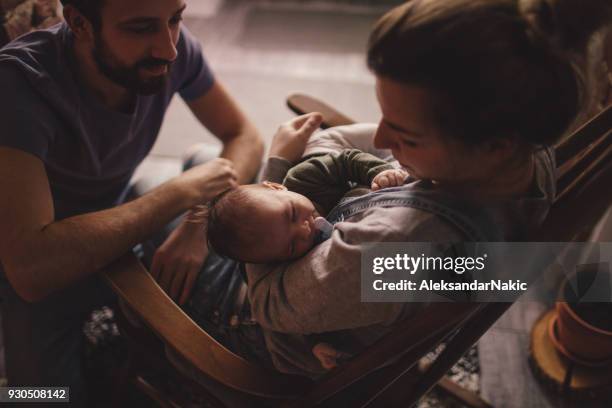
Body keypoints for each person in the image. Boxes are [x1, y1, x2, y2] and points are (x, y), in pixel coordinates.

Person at [181, 0, 612, 379]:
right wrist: (284, 191)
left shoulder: (392, 250)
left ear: (494, 146)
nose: (384, 141)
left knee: (190, 188)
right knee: (210, 173)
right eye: (384, 114)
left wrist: (276, 169)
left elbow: (270, 306)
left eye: (406, 134)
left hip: (259, 327)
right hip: (311, 257)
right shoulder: (521, 156)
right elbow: (343, 143)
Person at [0, 0, 263, 403]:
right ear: (80, 23)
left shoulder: (173, 48)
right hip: (39, 257)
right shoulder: (17, 85)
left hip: (124, 211)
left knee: (217, 170)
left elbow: (243, 134)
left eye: (175, 19)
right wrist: (179, 194)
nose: (168, 49)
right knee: (37, 396)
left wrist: (200, 219)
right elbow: (30, 270)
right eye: (140, 28)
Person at [207, 128, 409, 263]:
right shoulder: (298, 256)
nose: (305, 230)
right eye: (292, 246)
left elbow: (347, 160)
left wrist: (378, 173)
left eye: (292, 214)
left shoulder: (303, 177)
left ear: (277, 187)